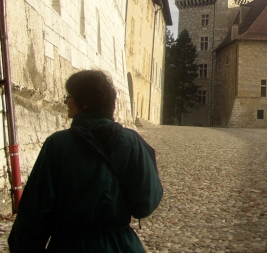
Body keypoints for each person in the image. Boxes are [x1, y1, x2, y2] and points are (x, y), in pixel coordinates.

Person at [8, 70, 163, 252]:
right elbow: (145, 203)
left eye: (70, 96)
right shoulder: (133, 142)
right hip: (121, 246)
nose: (66, 101)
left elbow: (35, 213)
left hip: (70, 246)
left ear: (85, 103)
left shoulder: (58, 144)